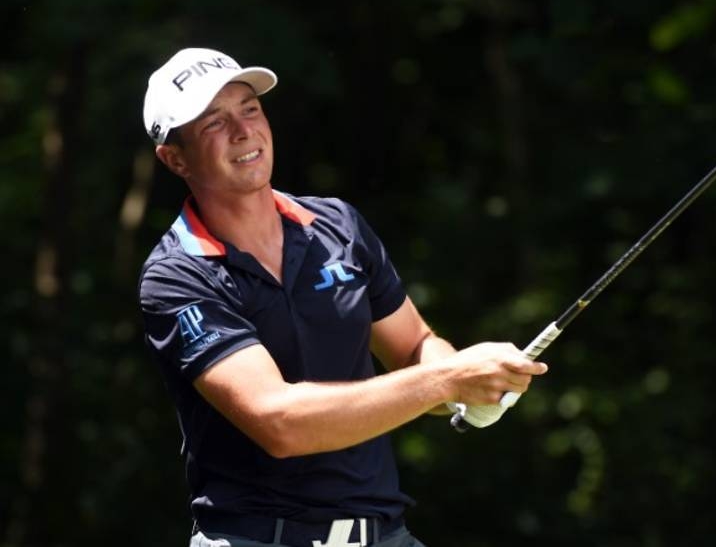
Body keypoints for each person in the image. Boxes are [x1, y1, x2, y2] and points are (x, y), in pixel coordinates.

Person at [138, 47, 548, 547]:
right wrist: (447, 380)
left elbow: (415, 345)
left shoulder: (338, 226)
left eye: (249, 109)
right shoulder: (177, 275)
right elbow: (279, 422)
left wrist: (466, 386)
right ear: (174, 157)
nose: (244, 131)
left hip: (383, 534)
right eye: (213, 123)